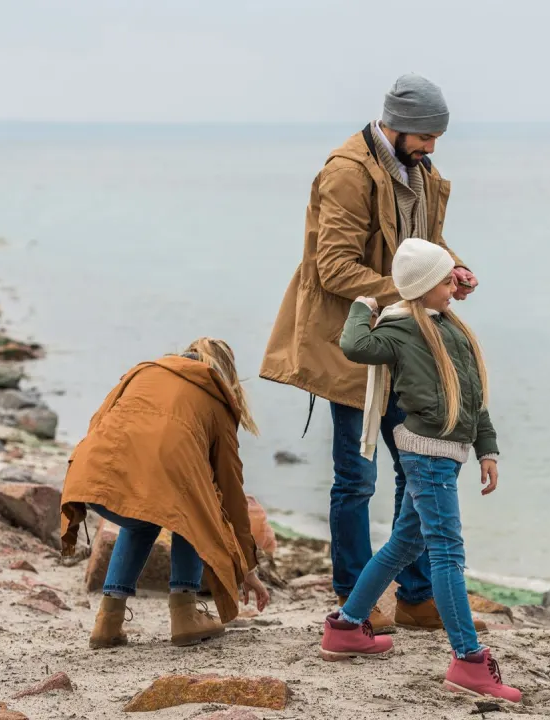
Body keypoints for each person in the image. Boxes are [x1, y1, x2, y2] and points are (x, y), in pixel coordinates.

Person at [260, 73, 484, 634]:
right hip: (355, 345)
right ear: (397, 123)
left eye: (438, 136)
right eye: (427, 135)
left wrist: (450, 267)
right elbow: (333, 268)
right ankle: (354, 600)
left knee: (417, 466)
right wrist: (412, 292)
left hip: (409, 343)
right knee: (356, 478)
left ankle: (414, 596)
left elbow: (422, 248)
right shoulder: (347, 173)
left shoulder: (422, 172)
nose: (433, 147)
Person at [318, 239, 520, 702]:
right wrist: (363, 305)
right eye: (448, 279)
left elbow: (472, 398)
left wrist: (488, 449)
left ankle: (347, 627)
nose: (456, 285)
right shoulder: (401, 330)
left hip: (449, 453)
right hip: (425, 454)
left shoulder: (452, 329)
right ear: (427, 285)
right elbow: (355, 344)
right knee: (448, 553)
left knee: (405, 543)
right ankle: (469, 660)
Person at [59, 338, 270, 650]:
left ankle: (108, 620)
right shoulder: (216, 398)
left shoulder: (142, 373)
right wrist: (247, 567)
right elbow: (231, 492)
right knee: (196, 507)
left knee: (142, 519)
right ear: (226, 375)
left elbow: (98, 424)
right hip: (141, 486)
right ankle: (185, 613)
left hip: (93, 477)